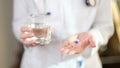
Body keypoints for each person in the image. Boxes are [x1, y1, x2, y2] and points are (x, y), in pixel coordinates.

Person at [12, 0, 114, 68]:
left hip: (83, 62)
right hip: (40, 62)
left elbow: (105, 26)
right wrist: (29, 36)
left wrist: (92, 37)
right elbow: (18, 23)